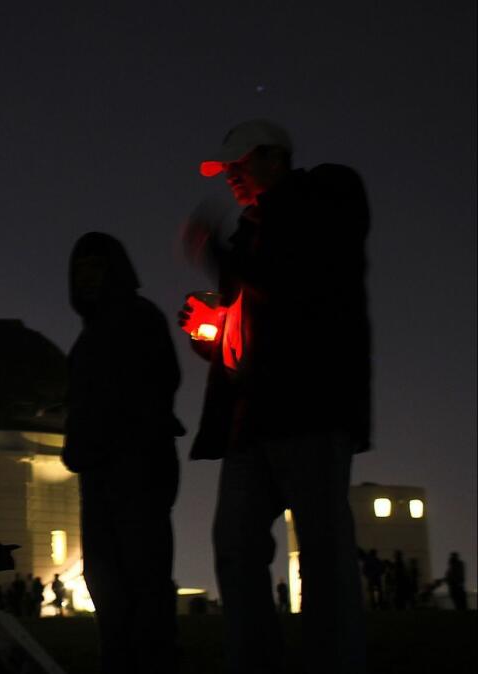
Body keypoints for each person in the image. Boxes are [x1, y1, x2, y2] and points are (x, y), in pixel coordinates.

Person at [181, 119, 370, 673]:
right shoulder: (251, 233)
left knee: (323, 550)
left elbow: (295, 281)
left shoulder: (325, 200)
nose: (233, 179)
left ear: (274, 157)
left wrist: (220, 255)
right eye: (228, 171)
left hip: (307, 408)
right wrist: (214, 330)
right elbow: (260, 310)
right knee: (236, 546)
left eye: (239, 166)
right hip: (250, 417)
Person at [64, 232, 183, 674]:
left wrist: (109, 434)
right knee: (107, 583)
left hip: (134, 471)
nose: (86, 278)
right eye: (79, 270)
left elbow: (156, 385)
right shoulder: (92, 335)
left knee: (142, 582)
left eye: (95, 267)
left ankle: (152, 661)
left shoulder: (136, 317)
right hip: (101, 474)